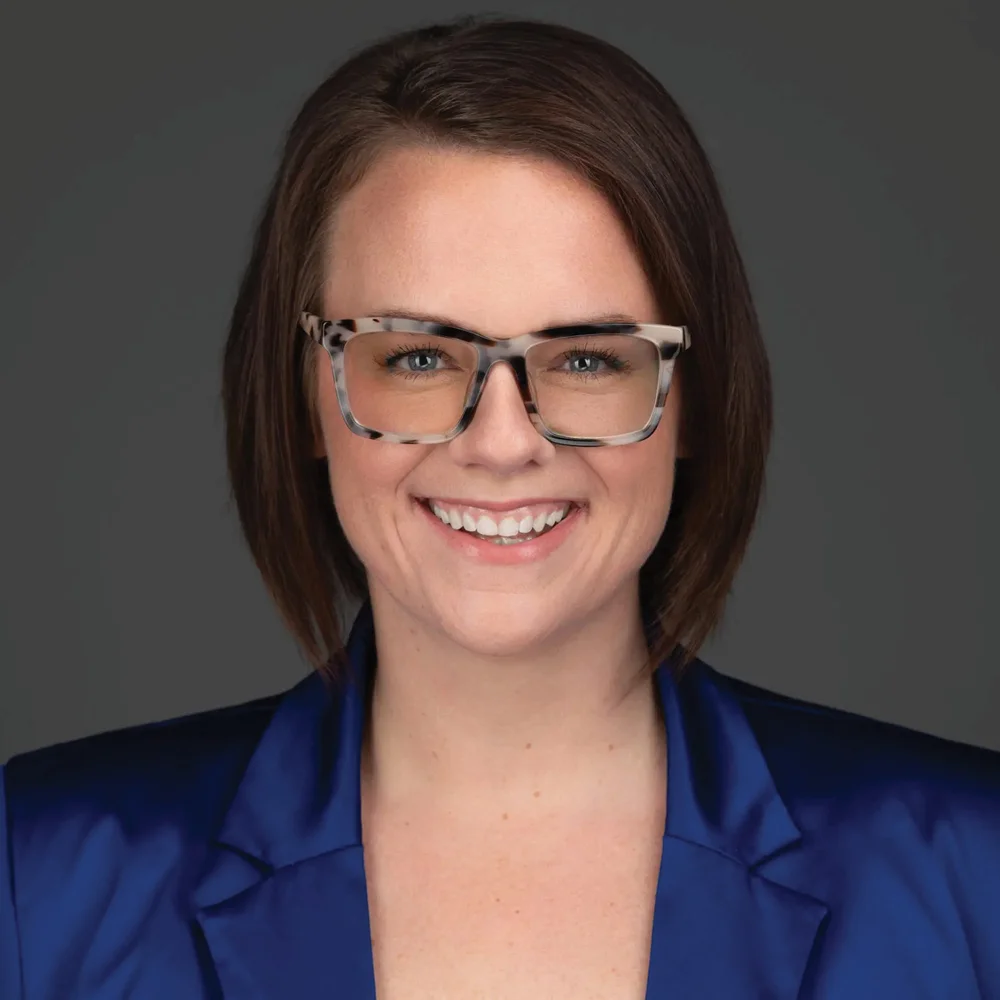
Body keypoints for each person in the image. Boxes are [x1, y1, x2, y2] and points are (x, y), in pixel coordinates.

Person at [2, 13, 998, 999]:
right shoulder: (37, 881)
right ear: (305, 392)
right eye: (420, 356)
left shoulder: (970, 870)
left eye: (587, 359)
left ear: (690, 399)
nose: (502, 440)